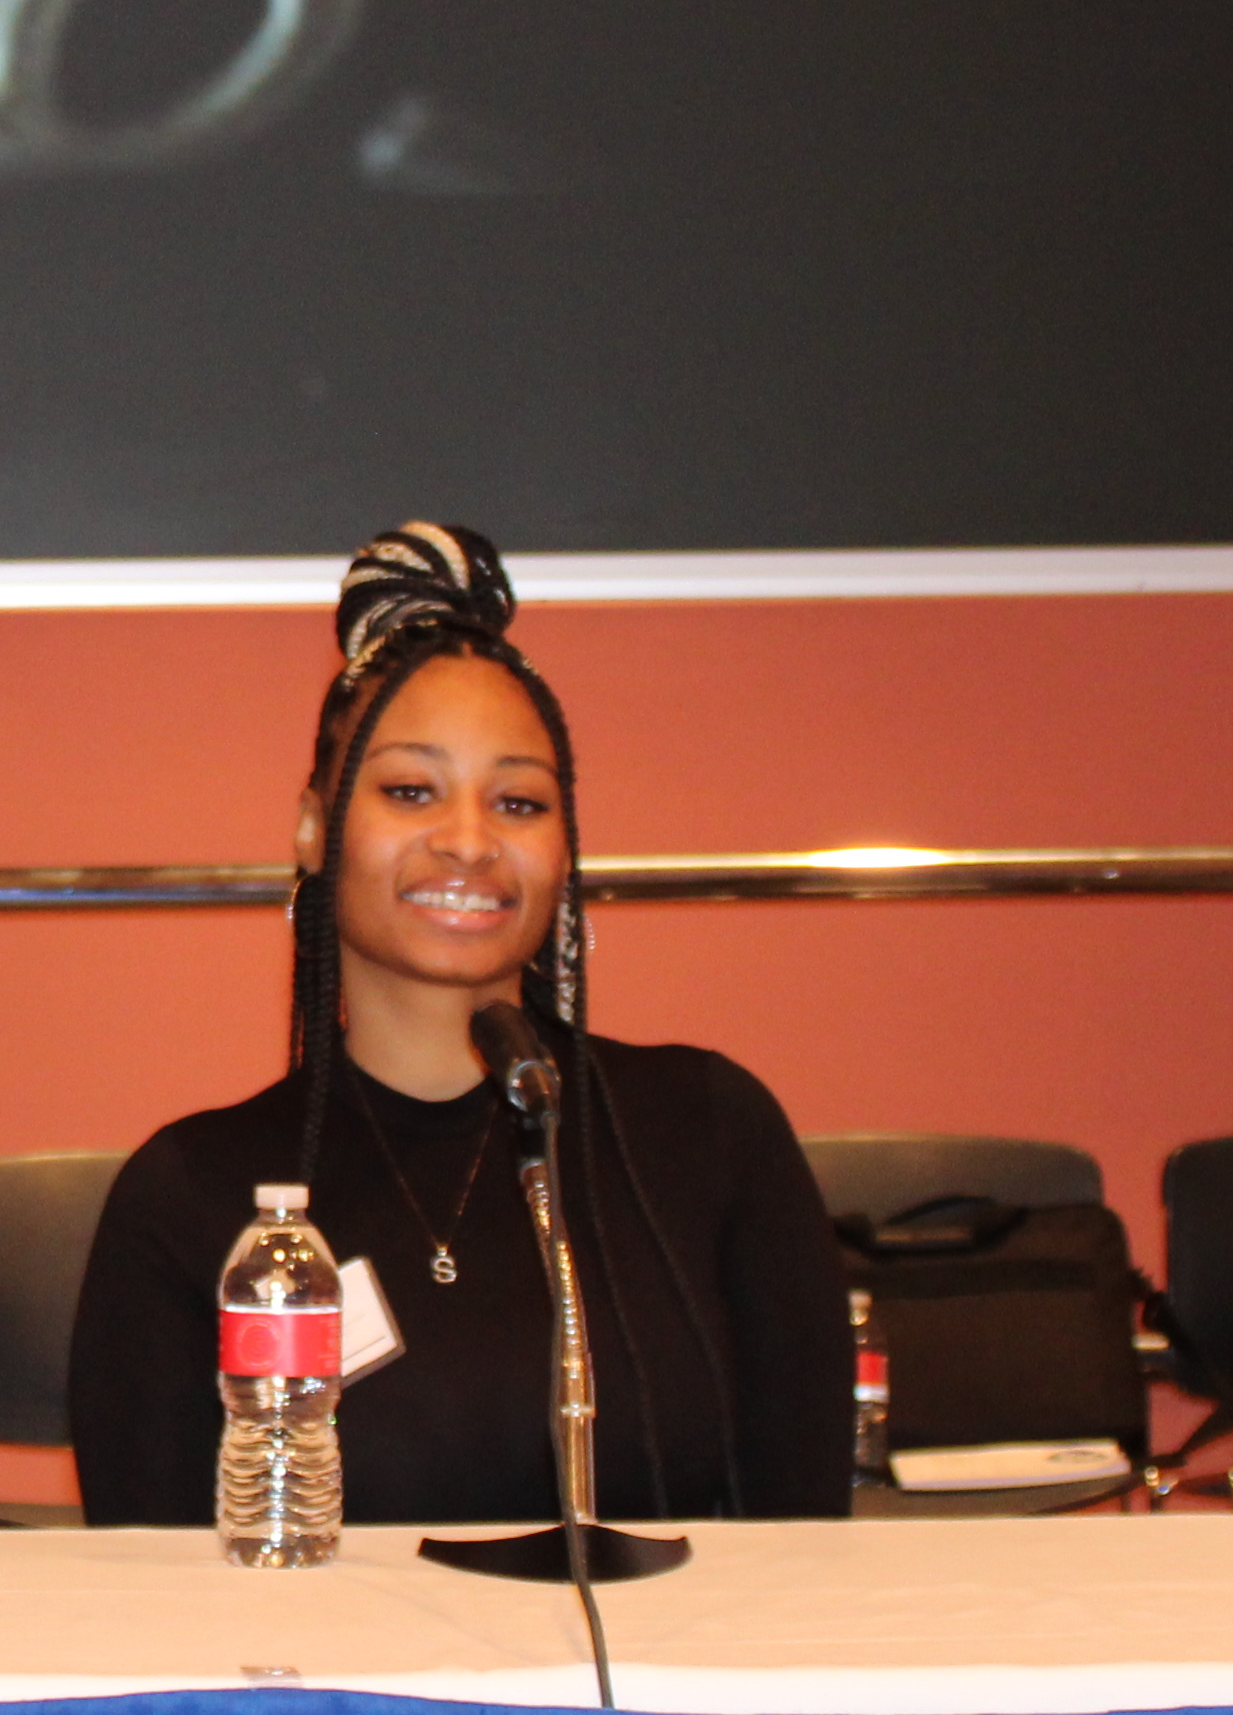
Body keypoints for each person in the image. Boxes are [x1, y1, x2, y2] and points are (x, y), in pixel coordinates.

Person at [67, 523, 852, 1528]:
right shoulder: (195, 1195)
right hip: (324, 1690)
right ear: (313, 826)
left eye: (519, 801)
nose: (471, 842)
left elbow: (806, 1545)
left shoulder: (709, 1133)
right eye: (410, 790)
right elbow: (160, 1595)